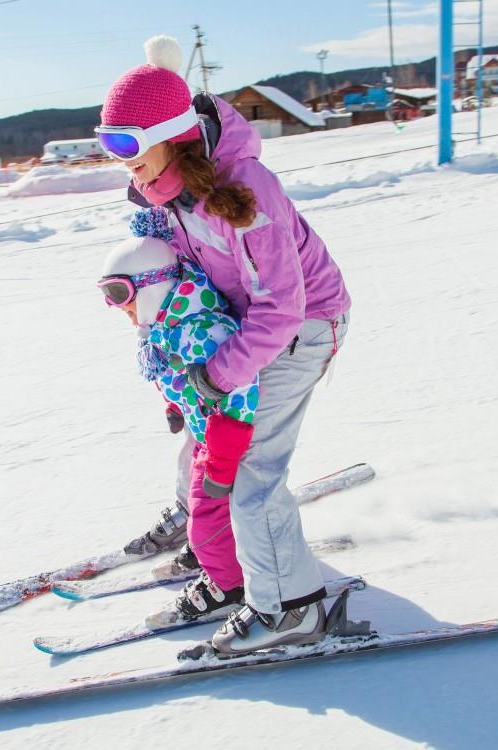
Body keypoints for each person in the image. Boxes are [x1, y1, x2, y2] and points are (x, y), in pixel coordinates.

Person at [97, 36, 351, 655]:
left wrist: (218, 375)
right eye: (110, 146)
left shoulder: (244, 189)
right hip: (246, 322)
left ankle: (291, 610)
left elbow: (282, 307)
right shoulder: (165, 194)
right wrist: (181, 372)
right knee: (204, 439)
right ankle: (221, 555)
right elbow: (184, 283)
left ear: (172, 135)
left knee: (249, 471)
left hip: (303, 325)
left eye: (128, 145)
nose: (122, 163)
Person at [98, 208, 258, 626]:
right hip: (209, 438)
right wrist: (176, 406)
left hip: (228, 445)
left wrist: (221, 456)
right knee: (198, 498)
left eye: (124, 298)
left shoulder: (202, 331)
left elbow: (241, 395)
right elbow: (178, 378)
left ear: (154, 286)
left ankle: (227, 587)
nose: (122, 311)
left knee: (207, 515)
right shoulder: (170, 326)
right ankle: (215, 552)